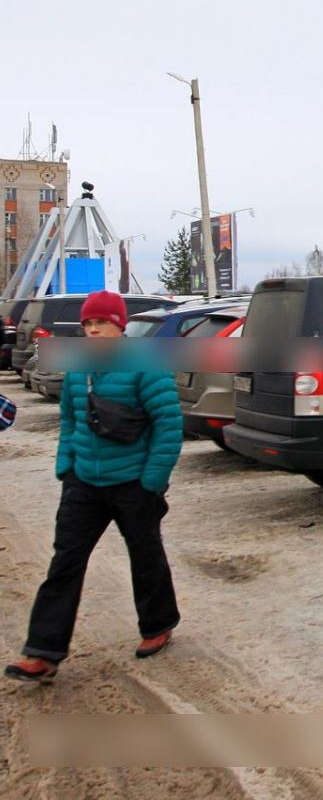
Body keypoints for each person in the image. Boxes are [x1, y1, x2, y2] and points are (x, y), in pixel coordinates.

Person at [5, 291, 183, 684]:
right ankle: (43, 652)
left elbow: (169, 427)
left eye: (101, 323)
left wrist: (151, 481)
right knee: (64, 563)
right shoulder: (79, 367)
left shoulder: (146, 365)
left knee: (145, 555)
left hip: (133, 483)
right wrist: (66, 466)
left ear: (119, 325)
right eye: (88, 324)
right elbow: (70, 420)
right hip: (84, 482)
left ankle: (158, 624)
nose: (94, 330)